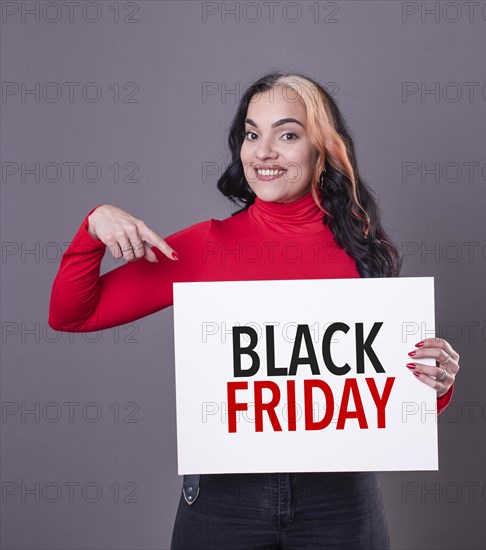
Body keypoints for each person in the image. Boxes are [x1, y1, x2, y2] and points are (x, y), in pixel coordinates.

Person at [49, 71, 460, 549]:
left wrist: (436, 384)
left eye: (287, 134)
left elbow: (384, 396)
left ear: (321, 149)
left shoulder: (361, 250)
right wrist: (92, 226)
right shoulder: (206, 247)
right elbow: (72, 314)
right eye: (251, 134)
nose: (263, 151)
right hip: (227, 499)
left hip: (339, 498)